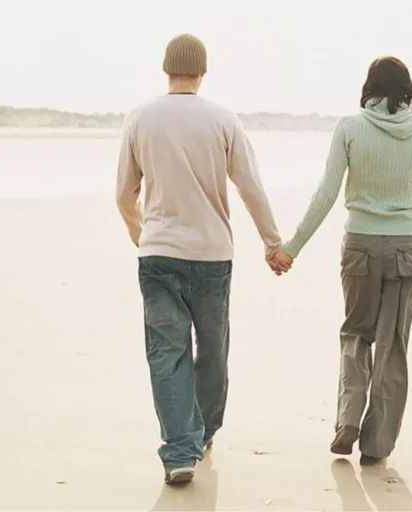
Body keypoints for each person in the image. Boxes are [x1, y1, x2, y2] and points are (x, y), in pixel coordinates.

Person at [116, 34, 289, 486]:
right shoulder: (222, 119)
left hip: (158, 257)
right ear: (203, 71)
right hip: (212, 258)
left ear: (166, 68)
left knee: (166, 354)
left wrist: (144, 237)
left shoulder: (140, 118)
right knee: (213, 349)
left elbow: (123, 194)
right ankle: (204, 430)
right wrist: (273, 242)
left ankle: (180, 451)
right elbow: (250, 187)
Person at [270, 56, 412, 465]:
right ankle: (376, 446)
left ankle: (347, 419)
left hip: (360, 244)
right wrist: (402, 224)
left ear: (369, 88)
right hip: (405, 246)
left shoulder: (350, 127)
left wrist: (291, 247)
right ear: (407, 89)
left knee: (355, 332)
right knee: (392, 345)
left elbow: (326, 194)